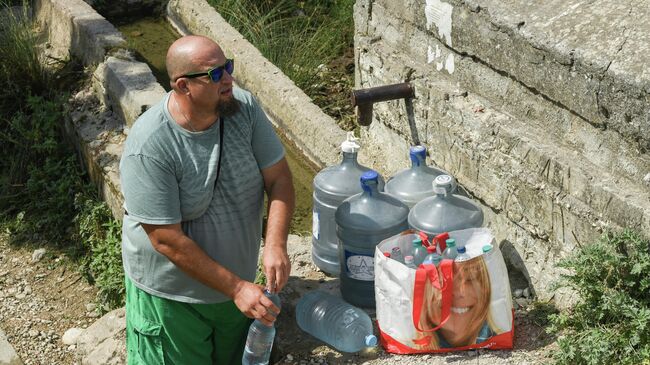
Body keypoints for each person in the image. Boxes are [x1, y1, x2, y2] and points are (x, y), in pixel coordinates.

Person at [119, 35, 295, 364]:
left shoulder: (244, 109)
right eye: (215, 74)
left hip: (235, 289)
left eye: (227, 67)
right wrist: (238, 288)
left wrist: (275, 243)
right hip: (174, 299)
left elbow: (280, 178)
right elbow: (166, 239)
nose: (228, 79)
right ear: (184, 86)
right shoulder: (150, 145)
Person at [414, 256, 502, 349]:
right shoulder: (409, 344)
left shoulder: (499, 338)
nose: (459, 292)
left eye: (469, 279)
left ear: (485, 290)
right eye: (442, 281)